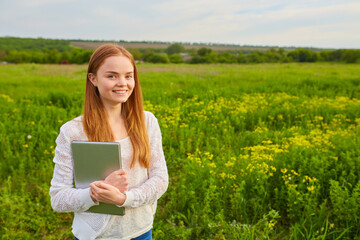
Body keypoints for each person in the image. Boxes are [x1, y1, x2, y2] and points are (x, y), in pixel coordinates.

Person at [49, 44, 169, 240]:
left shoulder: (148, 122)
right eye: (112, 76)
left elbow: (160, 179)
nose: (122, 83)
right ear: (93, 79)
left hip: (141, 230)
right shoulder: (73, 131)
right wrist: (95, 193)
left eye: (128, 76)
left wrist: (124, 199)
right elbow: (58, 198)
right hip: (96, 235)